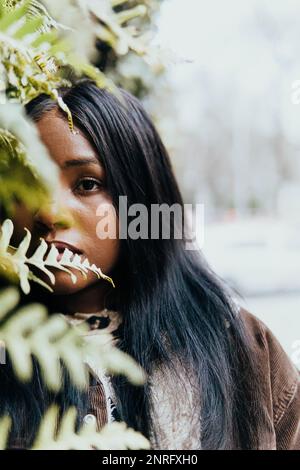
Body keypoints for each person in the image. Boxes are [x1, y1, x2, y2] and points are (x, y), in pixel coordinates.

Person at [1, 79, 299, 449]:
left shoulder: (245, 353)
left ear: (140, 198)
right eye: (31, 183)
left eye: (88, 184)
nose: (49, 211)